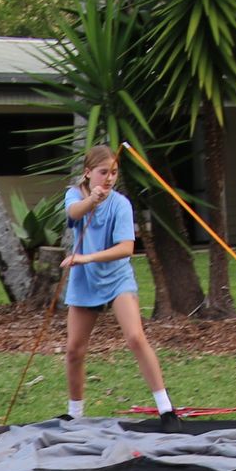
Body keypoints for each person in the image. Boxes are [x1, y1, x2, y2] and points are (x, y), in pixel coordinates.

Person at [62, 146, 183, 434]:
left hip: (117, 278)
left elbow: (126, 248)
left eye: (114, 173)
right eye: (103, 172)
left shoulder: (121, 204)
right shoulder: (75, 195)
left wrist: (87, 257)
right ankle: (74, 415)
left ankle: (167, 410)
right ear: (88, 173)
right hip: (85, 280)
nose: (109, 178)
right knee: (74, 350)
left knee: (135, 337)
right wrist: (91, 200)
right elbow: (73, 212)